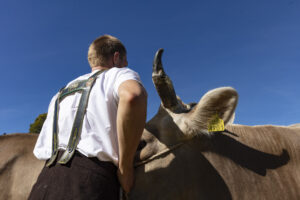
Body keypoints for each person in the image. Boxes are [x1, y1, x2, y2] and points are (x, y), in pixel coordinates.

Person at [29, 35, 147, 199]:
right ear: (116, 57)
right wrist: (125, 168)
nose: (126, 64)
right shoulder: (117, 74)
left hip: (43, 184)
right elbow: (132, 96)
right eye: (124, 60)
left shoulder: (61, 93)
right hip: (89, 184)